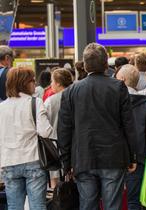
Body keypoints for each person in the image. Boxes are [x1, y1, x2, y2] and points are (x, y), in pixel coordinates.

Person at [57, 43, 138, 210]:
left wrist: (66, 162)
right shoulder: (118, 87)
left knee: (87, 205)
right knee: (112, 205)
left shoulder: (71, 92)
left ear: (85, 65)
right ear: (105, 63)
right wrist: (132, 156)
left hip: (83, 157)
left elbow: (64, 129)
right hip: (113, 157)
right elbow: (129, 124)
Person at [0, 67, 53, 210]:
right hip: (32, 159)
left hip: (9, 161)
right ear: (24, 83)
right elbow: (45, 132)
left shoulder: (2, 107)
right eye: (32, 81)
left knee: (14, 206)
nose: (34, 84)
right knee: (37, 206)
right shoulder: (35, 103)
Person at [116, 64, 146, 210]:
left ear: (121, 79)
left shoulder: (111, 100)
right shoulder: (145, 102)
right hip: (138, 158)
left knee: (113, 199)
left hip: (113, 157)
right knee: (134, 200)